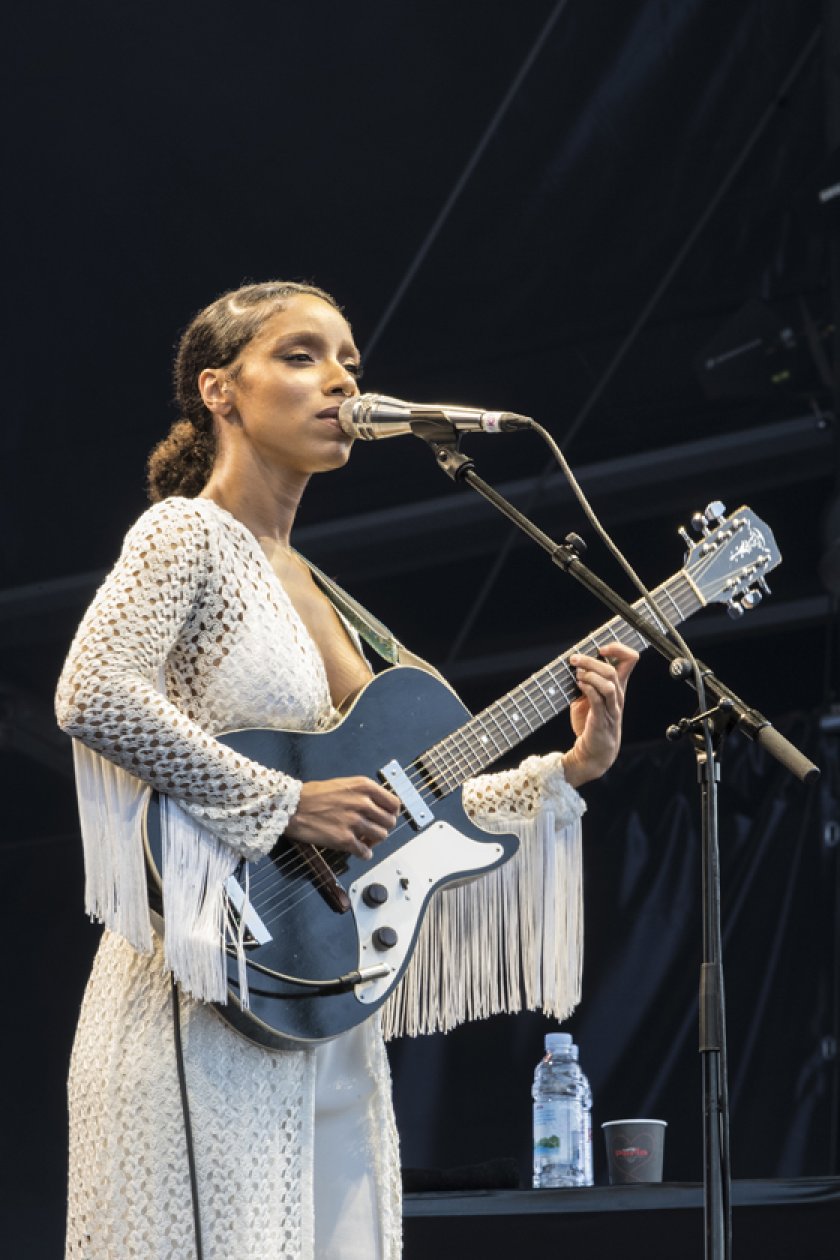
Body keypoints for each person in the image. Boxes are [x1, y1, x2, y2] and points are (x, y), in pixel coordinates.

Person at [55, 280, 637, 1259]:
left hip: (323, 1013)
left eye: (352, 363)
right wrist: (286, 801)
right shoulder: (186, 534)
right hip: (205, 994)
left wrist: (572, 768)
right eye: (301, 355)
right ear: (220, 391)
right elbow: (94, 693)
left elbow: (395, 812)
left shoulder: (322, 589)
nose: (339, 381)